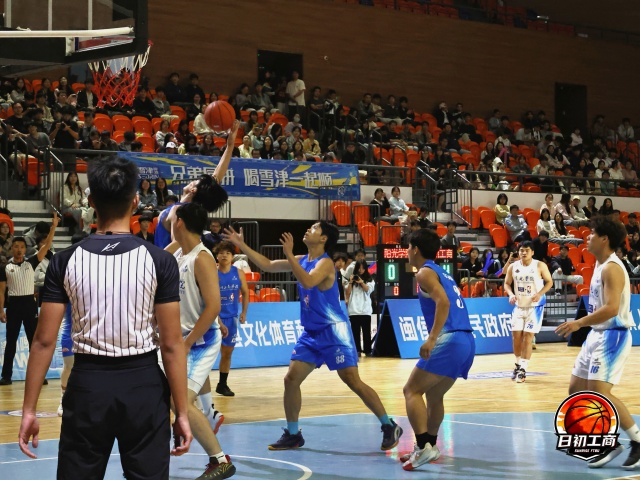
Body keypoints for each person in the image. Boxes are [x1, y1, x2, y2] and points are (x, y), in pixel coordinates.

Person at [18, 157, 193, 479]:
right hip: (143, 386)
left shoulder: (64, 261)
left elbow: (43, 341)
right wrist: (181, 411)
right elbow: (171, 345)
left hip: (88, 385)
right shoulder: (160, 261)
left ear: (91, 202)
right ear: (136, 202)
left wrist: (29, 409)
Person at [224, 221, 403, 451]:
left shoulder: (326, 263)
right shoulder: (302, 259)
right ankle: (293, 434)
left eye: (315, 228)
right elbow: (266, 264)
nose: (309, 229)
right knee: (291, 379)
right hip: (312, 332)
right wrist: (241, 245)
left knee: (352, 381)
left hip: (334, 331)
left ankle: (389, 425)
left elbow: (308, 280)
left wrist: (289, 255)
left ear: (324, 238)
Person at [556, 216, 640, 469]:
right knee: (576, 390)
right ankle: (606, 442)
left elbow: (612, 308)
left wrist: (579, 323)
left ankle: (637, 440)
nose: (587, 237)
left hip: (613, 334)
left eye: (592, 233)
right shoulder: (599, 264)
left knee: (600, 393)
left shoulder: (612, 268)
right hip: (596, 334)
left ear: (604, 239)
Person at [162, 202, 236, 479]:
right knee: (159, 395)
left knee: (178, 400)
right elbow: (156, 257)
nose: (167, 222)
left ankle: (220, 460)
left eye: (171, 218)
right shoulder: (180, 253)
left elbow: (214, 306)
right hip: (177, 339)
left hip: (199, 342)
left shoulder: (202, 257)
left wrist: (188, 343)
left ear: (180, 222)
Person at [400, 228, 475, 471]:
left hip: (449, 339)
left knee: (411, 390)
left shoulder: (424, 272)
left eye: (408, 247)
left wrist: (431, 339)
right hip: (466, 340)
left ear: (415, 249)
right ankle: (430, 445)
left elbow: (443, 302)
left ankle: (423, 447)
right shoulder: (443, 272)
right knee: (434, 396)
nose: (407, 251)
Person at [155, 120, 239, 249]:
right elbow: (217, 176)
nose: (191, 181)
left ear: (193, 190)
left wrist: (156, 257)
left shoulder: (179, 210)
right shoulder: (193, 208)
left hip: (168, 260)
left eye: (194, 181)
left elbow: (177, 245)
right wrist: (230, 145)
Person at [0, 214, 57, 385]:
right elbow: (1, 291)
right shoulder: (5, 267)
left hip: (29, 305)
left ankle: (39, 376)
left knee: (34, 341)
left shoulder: (31, 262)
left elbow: (47, 245)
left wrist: (53, 227)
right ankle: (6, 376)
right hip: (14, 305)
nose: (19, 249)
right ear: (12, 248)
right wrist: (1, 310)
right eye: (16, 246)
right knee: (11, 342)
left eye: (22, 247)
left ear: (26, 250)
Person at [503, 241, 553, 383]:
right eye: (521, 250)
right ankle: (518, 365)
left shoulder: (539, 265)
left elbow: (549, 282)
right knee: (516, 337)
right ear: (518, 252)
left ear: (532, 252)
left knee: (528, 337)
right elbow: (506, 283)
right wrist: (511, 294)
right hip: (519, 306)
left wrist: (540, 294)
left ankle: (523, 369)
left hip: (535, 307)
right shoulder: (513, 266)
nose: (523, 253)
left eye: (526, 250)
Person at [54, 231, 88, 416]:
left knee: (89, 369)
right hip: (70, 332)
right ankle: (63, 399)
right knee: (69, 367)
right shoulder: (65, 270)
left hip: (90, 332)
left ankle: (86, 401)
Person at [214, 241, 249, 397]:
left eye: (228, 253)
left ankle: (222, 384)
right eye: (221, 253)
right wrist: (218, 322)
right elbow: (208, 299)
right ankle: (199, 388)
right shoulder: (213, 273)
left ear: (232, 256)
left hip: (232, 318)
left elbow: (246, 293)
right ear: (217, 256)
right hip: (213, 318)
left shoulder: (238, 273)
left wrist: (244, 312)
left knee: (227, 353)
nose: (224, 255)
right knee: (207, 354)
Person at [345, 259, 375, 357]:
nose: (360, 270)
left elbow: (368, 290)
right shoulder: (352, 279)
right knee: (355, 332)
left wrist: (361, 282)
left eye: (363, 268)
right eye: (359, 268)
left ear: (365, 268)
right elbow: (347, 292)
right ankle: (357, 350)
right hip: (353, 310)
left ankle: (367, 350)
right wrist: (351, 282)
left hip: (365, 310)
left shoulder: (370, 279)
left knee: (366, 332)